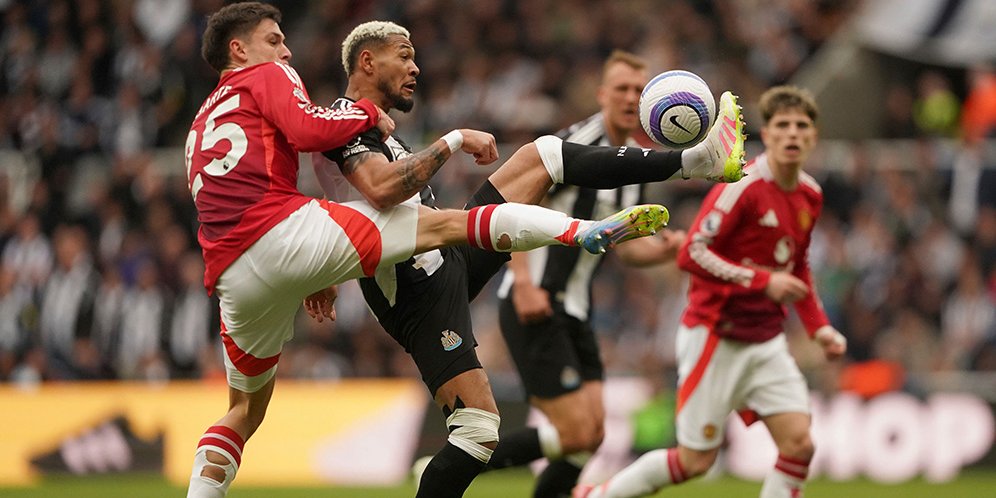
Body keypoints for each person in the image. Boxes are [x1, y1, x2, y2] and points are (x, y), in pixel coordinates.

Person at [183, 4, 669, 498]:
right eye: (273, 40)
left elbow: (261, 180)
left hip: (232, 270)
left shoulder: (201, 121)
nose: (286, 52)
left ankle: (683, 163)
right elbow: (323, 141)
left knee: (243, 410)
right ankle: (583, 231)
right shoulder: (274, 78)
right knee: (449, 228)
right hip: (383, 272)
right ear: (238, 49)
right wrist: (437, 135)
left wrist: (314, 270)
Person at [315, 21, 746, 498]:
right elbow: (379, 189)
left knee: (542, 155)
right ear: (367, 61)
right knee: (480, 432)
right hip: (417, 290)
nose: (416, 66)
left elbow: (339, 201)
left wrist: (321, 270)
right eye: (403, 55)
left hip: (447, 255)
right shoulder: (343, 117)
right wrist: (453, 140)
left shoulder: (372, 124)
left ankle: (697, 162)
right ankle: (591, 227)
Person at [573, 86, 849, 498]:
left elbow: (797, 265)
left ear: (814, 136)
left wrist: (819, 327)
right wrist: (763, 281)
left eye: (801, 126)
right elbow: (692, 253)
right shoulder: (743, 186)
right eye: (782, 125)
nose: (792, 133)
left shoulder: (810, 194)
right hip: (716, 334)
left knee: (799, 445)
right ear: (767, 134)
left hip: (765, 341)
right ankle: (596, 496)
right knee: (693, 461)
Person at [486, 50, 686, 497]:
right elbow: (514, 210)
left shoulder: (635, 165)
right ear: (601, 94)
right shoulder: (573, 144)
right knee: (576, 432)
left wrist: (663, 251)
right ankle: (451, 465)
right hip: (536, 299)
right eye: (622, 88)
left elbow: (625, 248)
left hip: (576, 308)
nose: (630, 98)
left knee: (591, 435)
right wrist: (523, 283)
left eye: (639, 91)